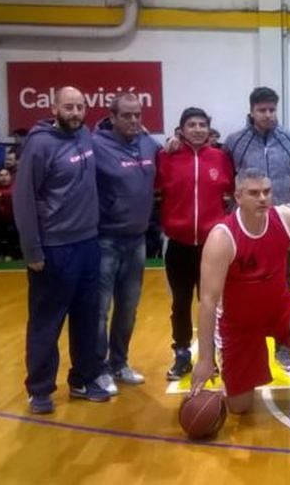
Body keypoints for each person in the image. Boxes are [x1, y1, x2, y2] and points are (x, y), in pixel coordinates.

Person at [190, 169, 290, 428]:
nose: (263, 198)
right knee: (240, 408)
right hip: (239, 323)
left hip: (278, 307)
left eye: (267, 192)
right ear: (238, 196)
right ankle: (231, 380)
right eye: (254, 193)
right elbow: (208, 302)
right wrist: (205, 360)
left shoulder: (281, 216)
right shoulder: (222, 237)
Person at [14, 86, 105, 414]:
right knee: (46, 322)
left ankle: (83, 380)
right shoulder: (39, 145)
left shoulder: (85, 137)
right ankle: (39, 390)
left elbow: (113, 135)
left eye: (81, 107)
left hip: (87, 244)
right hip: (54, 249)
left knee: (87, 319)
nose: (76, 113)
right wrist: (32, 251)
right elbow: (23, 199)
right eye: (69, 107)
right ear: (54, 108)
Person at [222, 86, 290, 370]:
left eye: (272, 110)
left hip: (280, 228)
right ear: (252, 111)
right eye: (262, 110)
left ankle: (283, 347)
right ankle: (247, 343)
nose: (268, 115)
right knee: (245, 289)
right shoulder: (235, 142)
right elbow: (227, 177)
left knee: (284, 285)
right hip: (247, 231)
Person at [156, 107, 235, 381]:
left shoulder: (221, 158)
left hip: (211, 246)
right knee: (180, 302)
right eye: (192, 124)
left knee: (211, 303)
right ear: (182, 129)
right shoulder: (166, 157)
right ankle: (181, 355)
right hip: (178, 244)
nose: (198, 129)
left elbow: (234, 191)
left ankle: (210, 356)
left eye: (203, 124)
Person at [92, 93, 162, 395]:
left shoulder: (149, 145)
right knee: (99, 310)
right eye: (127, 115)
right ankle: (97, 369)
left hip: (137, 240)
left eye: (138, 115)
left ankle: (120, 363)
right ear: (112, 116)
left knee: (128, 309)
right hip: (104, 240)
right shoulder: (95, 144)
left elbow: (169, 157)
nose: (134, 121)